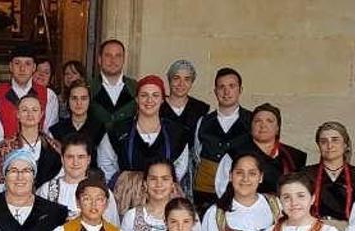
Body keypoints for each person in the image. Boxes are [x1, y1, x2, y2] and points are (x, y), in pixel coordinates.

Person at [98, 75, 187, 214]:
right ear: (137, 99)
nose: (149, 100)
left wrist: (162, 182)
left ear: (163, 99)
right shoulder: (119, 130)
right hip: (125, 195)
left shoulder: (176, 132)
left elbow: (180, 166)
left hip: (163, 193)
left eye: (155, 95)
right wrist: (122, 182)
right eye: (144, 95)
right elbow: (105, 161)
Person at [192, 67, 252, 215]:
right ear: (215, 91)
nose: (226, 92)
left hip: (242, 187)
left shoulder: (252, 120)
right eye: (221, 87)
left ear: (240, 89)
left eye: (232, 86)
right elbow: (197, 153)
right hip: (206, 190)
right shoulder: (203, 121)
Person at [218, 103, 306, 196]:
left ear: (277, 128)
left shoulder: (294, 157)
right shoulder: (235, 153)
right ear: (251, 127)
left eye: (269, 121)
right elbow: (221, 188)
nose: (263, 125)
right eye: (257, 121)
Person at [0, 44, 59, 152]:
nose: (22, 68)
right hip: (7, 159)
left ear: (34, 67)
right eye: (17, 63)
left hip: (39, 159)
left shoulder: (49, 95)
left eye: (27, 64)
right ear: (10, 66)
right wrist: (9, 156)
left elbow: (49, 133)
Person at [37, 132, 119, 225]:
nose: (75, 162)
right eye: (70, 157)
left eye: (81, 157)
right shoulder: (46, 190)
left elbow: (113, 229)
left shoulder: (102, 192)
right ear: (62, 159)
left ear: (88, 160)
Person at [0, 95, 62, 193]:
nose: (30, 114)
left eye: (34, 110)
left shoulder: (54, 146)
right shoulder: (4, 147)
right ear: (17, 114)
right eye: (24, 110)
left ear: (41, 114)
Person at [159, 60, 210, 199]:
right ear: (169, 80)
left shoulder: (200, 109)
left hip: (191, 171)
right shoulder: (158, 106)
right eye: (176, 78)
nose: (181, 84)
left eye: (187, 79)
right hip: (162, 166)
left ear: (192, 82)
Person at [49, 80, 106, 167]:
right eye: (74, 98)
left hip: (91, 178)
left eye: (83, 98)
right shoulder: (56, 130)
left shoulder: (100, 128)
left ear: (89, 101)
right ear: (68, 101)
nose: (79, 103)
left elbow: (104, 163)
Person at [88, 40, 137, 131]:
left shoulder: (135, 87)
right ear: (99, 60)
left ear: (123, 60)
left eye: (118, 56)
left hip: (126, 143)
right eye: (108, 55)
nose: (113, 60)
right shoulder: (88, 87)